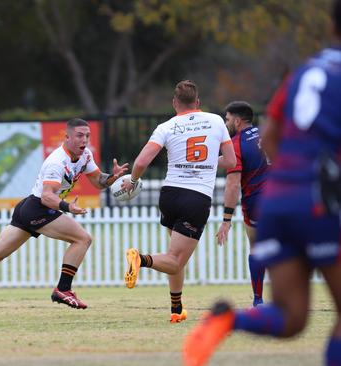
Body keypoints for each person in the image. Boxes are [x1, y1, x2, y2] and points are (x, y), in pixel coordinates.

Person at [183, 1, 341, 364]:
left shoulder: (305, 72)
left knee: (290, 316)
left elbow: (271, 138)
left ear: (332, 27)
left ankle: (226, 320)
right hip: (322, 201)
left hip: (278, 200)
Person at [0, 118, 128, 312]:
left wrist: (112, 178)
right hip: (38, 208)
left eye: (87, 136)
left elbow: (97, 181)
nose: (84, 140)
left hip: (28, 207)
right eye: (79, 136)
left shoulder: (85, 156)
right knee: (82, 239)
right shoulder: (57, 162)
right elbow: (46, 197)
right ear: (67, 137)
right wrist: (68, 207)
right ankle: (63, 289)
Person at [120, 80, 236, 323]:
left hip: (170, 195)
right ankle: (140, 259)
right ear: (198, 102)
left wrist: (132, 180)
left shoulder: (167, 126)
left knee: (175, 256)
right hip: (196, 198)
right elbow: (232, 161)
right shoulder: (216, 121)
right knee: (174, 261)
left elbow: (141, 162)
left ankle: (176, 308)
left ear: (174, 103)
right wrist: (206, 165)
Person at [215, 101, 269, 307]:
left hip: (256, 202)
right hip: (282, 196)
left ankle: (258, 300)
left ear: (237, 121)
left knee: (256, 247)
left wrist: (226, 220)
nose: (225, 123)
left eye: (227, 119)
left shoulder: (236, 143)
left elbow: (232, 185)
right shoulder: (267, 132)